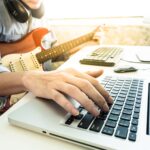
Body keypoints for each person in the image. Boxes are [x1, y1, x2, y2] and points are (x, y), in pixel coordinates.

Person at [0, 0, 113, 116]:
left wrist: (87, 43)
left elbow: (54, 53)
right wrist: (27, 79)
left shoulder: (43, 16)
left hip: (34, 92)